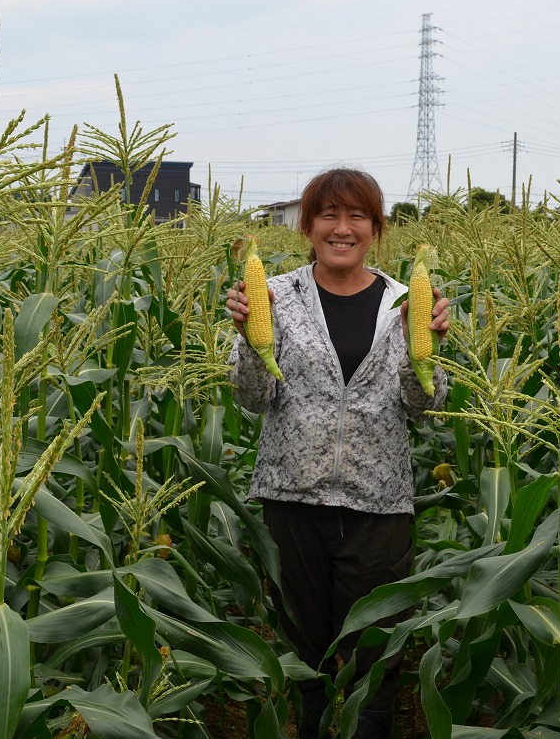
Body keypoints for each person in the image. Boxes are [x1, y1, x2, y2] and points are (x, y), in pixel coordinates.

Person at [226, 168, 449, 739]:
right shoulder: (276, 296)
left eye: (357, 217)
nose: (342, 228)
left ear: (376, 229)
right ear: (308, 226)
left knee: (375, 655)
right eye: (328, 215)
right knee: (306, 657)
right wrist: (252, 342)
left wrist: (428, 349)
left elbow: (422, 407)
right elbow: (254, 398)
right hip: (292, 499)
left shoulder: (405, 303)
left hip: (378, 505)